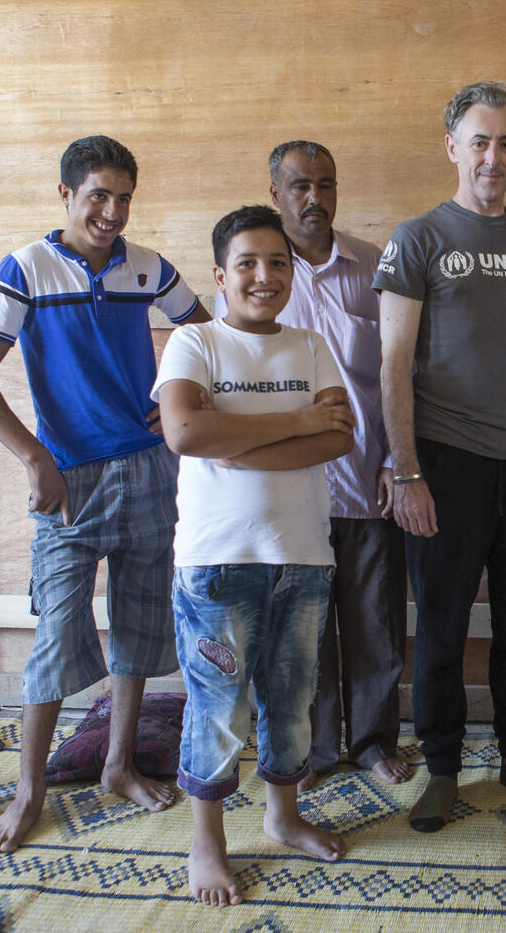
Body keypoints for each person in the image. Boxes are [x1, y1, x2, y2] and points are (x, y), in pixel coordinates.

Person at [0, 135, 206, 853]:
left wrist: (178, 400)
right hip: (68, 481)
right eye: (98, 195)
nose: (112, 212)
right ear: (65, 194)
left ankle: (118, 764)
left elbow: (207, 338)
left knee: (139, 621)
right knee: (57, 633)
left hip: (151, 469)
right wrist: (34, 457)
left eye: (124, 197)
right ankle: (29, 789)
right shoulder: (25, 269)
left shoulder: (148, 266)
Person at [375, 81, 506, 833]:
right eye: (479, 142)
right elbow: (392, 363)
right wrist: (406, 470)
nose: (492, 157)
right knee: (440, 625)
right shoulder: (418, 238)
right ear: (453, 148)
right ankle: (441, 768)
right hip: (446, 461)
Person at [157, 206, 356, 906]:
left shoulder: (310, 345)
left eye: (277, 262)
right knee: (218, 708)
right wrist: (296, 421)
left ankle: (283, 816)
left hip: (302, 555)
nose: (263, 276)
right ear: (220, 275)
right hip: (216, 562)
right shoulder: (195, 342)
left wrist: (237, 441)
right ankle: (206, 844)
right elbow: (186, 431)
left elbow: (339, 437)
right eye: (246, 263)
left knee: (292, 700)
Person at [244, 140, 413, 788]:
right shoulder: (260, 279)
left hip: (368, 480)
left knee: (376, 622)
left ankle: (372, 743)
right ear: (275, 194)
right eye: (300, 186)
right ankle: (315, 751)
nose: (315, 198)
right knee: (303, 630)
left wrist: (396, 458)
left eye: (326, 184)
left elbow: (401, 370)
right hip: (291, 490)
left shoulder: (373, 266)